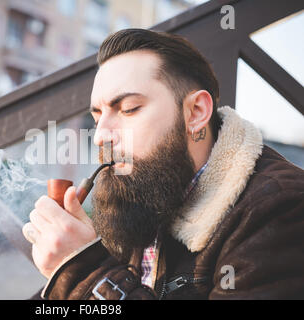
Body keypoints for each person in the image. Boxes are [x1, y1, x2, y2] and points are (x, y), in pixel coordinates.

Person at [22, 29, 304, 299]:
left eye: (129, 109)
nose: (100, 136)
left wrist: (81, 272)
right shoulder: (150, 187)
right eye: (97, 117)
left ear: (195, 112)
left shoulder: (280, 209)